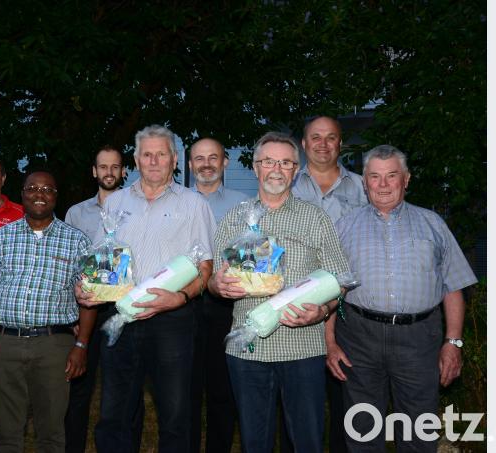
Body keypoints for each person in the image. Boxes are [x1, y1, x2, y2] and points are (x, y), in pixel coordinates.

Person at [327, 145, 477, 452]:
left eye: (391, 176)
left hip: (419, 339)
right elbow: (329, 288)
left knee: (419, 428)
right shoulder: (344, 226)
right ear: (365, 182)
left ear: (406, 179)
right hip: (359, 337)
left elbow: (454, 286)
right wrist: (330, 343)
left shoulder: (433, 224)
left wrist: (454, 343)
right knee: (362, 429)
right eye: (374, 177)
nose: (383, 185)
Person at [208, 132, 350, 453]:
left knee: (306, 442)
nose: (276, 169)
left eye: (285, 163)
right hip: (248, 350)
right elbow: (214, 281)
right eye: (269, 161)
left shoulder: (315, 218)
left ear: (295, 171)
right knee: (254, 442)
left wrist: (324, 309)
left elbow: (341, 279)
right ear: (256, 168)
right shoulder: (234, 219)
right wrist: (216, 285)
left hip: (303, 349)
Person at [79, 124, 216, 453]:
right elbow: (101, 262)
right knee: (114, 414)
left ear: (173, 160)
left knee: (175, 414)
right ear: (136, 160)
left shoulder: (194, 204)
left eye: (161, 154)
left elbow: (206, 268)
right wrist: (87, 288)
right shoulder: (115, 204)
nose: (154, 161)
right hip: (121, 316)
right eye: (147, 154)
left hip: (172, 320)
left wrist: (180, 297)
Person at [0, 171, 95, 453]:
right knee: (6, 432)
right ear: (22, 193)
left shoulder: (78, 241)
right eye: (33, 188)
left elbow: (90, 298)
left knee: (51, 433)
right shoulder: (1, 238)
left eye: (48, 189)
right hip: (5, 344)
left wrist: (81, 345)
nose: (40, 193)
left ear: (56, 196)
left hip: (54, 346)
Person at [291, 115, 368, 453]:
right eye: (316, 137)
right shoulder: (287, 183)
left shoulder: (362, 187)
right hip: (298, 306)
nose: (323, 144)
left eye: (331, 137)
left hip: (349, 304)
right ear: (304, 144)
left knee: (345, 397)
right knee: (297, 401)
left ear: (341, 144)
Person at [63, 146, 145, 453]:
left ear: (123, 171)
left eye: (115, 167)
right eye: (103, 167)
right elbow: (70, 265)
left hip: (125, 309)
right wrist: (73, 313)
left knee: (128, 386)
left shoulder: (138, 210)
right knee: (80, 385)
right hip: (87, 309)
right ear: (94, 172)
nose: (109, 172)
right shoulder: (76, 213)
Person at [187, 137, 248, 453]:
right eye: (199, 158)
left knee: (222, 388)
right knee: (185, 388)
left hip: (226, 305)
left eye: (213, 157)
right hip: (183, 304)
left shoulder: (244, 206)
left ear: (225, 162)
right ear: (189, 164)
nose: (206, 164)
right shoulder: (179, 202)